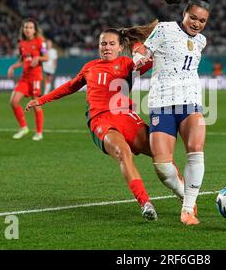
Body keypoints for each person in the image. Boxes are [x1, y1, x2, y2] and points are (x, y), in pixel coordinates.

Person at [26, 21, 186, 220]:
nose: (107, 47)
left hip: (127, 117)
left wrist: (137, 43)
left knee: (160, 152)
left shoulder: (128, 64)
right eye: (103, 44)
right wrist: (42, 99)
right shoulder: (90, 67)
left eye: (111, 44)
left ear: (120, 47)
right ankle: (145, 203)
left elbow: (153, 61)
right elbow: (70, 87)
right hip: (101, 120)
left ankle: (185, 197)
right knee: (122, 152)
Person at [134, 0, 211, 225]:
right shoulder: (165, 29)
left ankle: (187, 210)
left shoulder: (202, 41)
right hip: (162, 102)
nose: (197, 24)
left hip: (191, 101)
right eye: (193, 18)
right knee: (162, 166)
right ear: (184, 14)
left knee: (196, 150)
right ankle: (183, 193)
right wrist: (137, 56)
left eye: (202, 21)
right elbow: (142, 52)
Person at [8, 18, 48, 141]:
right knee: (13, 101)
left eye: (30, 27)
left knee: (36, 105)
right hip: (25, 78)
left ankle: (39, 132)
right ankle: (24, 128)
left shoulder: (41, 42)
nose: (28, 30)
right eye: (26, 27)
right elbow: (22, 58)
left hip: (36, 78)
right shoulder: (22, 44)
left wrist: (38, 59)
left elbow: (46, 57)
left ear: (35, 30)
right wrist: (13, 66)